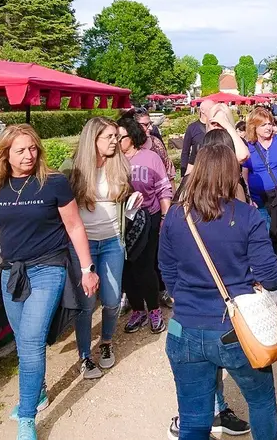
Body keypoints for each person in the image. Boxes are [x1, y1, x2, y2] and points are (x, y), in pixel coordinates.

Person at [0, 124, 96, 440]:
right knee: (24, 343)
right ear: (5, 155)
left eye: (33, 148)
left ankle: (26, 417)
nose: (29, 155)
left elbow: (75, 226)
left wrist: (88, 267)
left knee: (33, 339)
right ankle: (37, 392)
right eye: (21, 150)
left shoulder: (54, 183)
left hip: (49, 268)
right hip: (12, 273)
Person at [160, 144, 277, 440]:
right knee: (261, 401)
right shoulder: (247, 217)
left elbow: (167, 269)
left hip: (185, 327)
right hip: (233, 329)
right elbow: (271, 277)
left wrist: (188, 298)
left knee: (193, 419)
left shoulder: (177, 216)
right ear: (232, 175)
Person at [61, 117, 133, 378]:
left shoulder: (120, 166)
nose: (115, 141)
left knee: (113, 300)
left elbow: (125, 199)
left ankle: (105, 342)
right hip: (84, 246)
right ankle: (84, 355)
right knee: (86, 303)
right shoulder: (72, 169)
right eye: (109, 137)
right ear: (93, 139)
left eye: (116, 136)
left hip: (113, 241)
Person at [117, 117, 172, 334]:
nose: (116, 141)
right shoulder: (113, 161)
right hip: (122, 223)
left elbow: (163, 189)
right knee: (126, 268)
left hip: (149, 218)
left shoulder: (150, 158)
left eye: (120, 137)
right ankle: (137, 309)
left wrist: (165, 218)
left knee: (145, 266)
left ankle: (154, 310)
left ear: (131, 137)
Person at [135, 109, 176, 182]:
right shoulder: (126, 145)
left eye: (150, 124)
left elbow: (168, 171)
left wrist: (172, 192)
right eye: (145, 125)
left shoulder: (156, 143)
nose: (150, 128)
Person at [181, 100, 215, 177]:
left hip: (214, 170)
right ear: (202, 110)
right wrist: (183, 174)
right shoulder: (192, 128)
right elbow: (185, 152)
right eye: (211, 108)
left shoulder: (217, 126)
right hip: (196, 171)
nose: (214, 111)